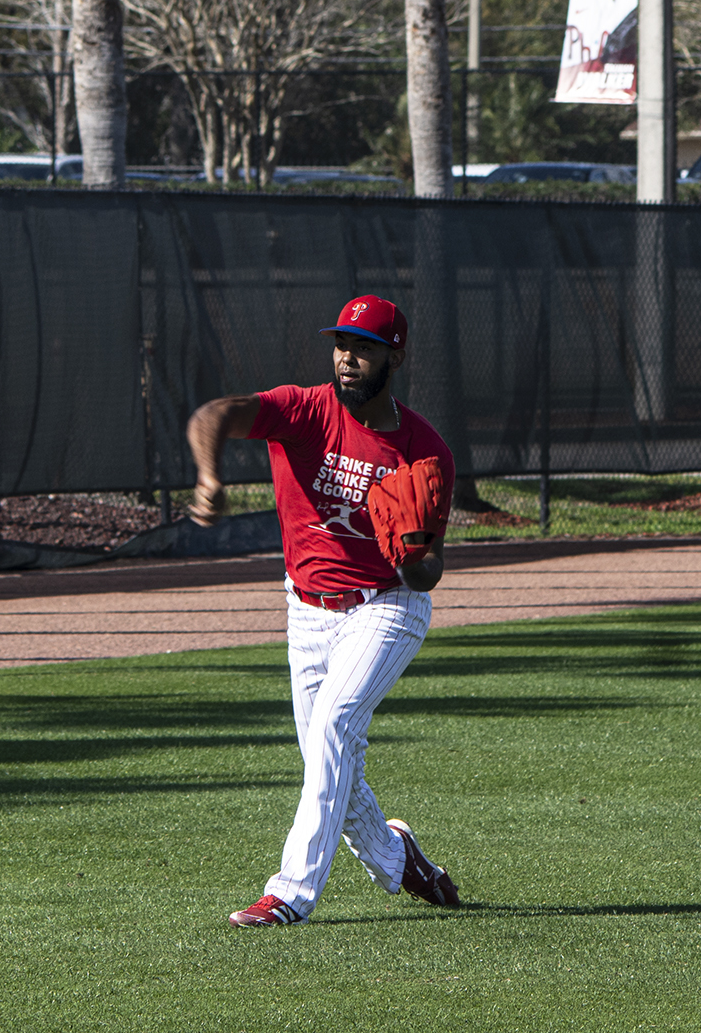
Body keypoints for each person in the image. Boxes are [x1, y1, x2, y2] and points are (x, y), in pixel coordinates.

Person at [184, 293, 464, 927]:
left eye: (364, 348)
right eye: (341, 344)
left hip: (386, 605)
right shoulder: (304, 412)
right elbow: (215, 414)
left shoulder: (425, 452)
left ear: (394, 356)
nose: (347, 359)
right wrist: (210, 477)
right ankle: (400, 860)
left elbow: (429, 572)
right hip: (306, 608)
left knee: (334, 727)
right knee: (326, 755)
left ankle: (289, 893)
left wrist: (416, 553)